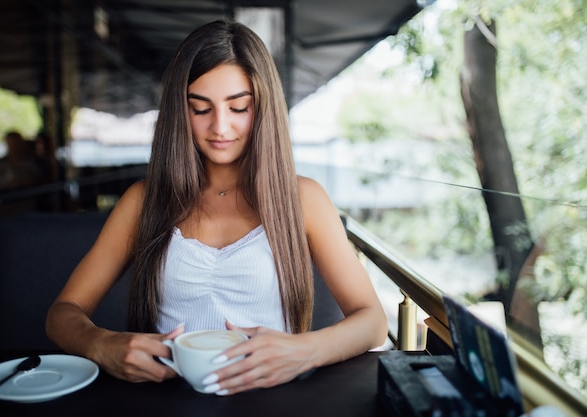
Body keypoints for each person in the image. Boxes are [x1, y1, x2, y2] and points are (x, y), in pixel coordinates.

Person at [46, 20, 388, 396]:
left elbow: (371, 321)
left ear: (263, 108)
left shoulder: (303, 199)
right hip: (167, 399)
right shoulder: (144, 201)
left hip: (272, 400)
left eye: (239, 107)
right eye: (200, 108)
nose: (220, 127)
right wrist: (101, 344)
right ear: (181, 112)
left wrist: (306, 351)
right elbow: (63, 313)